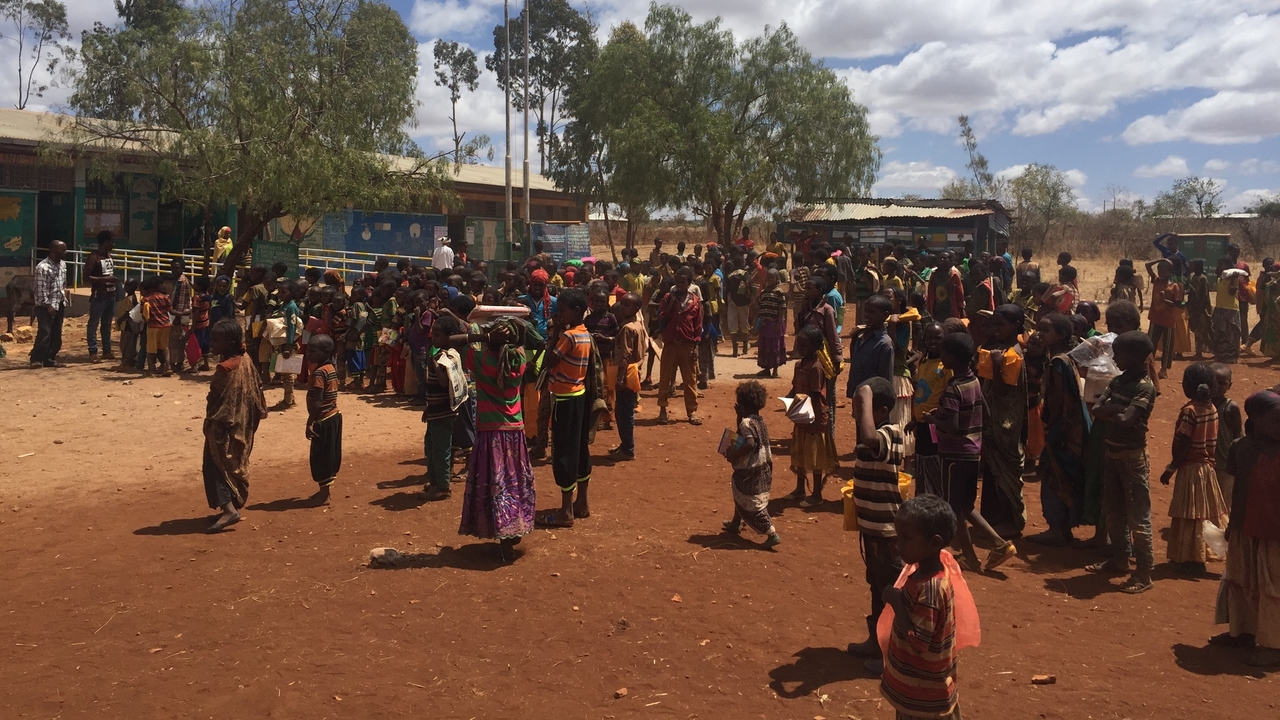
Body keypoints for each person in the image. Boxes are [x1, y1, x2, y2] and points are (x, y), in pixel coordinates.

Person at [443, 318, 536, 562]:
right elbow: (525, 340)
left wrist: (484, 338)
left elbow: (451, 341)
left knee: (495, 484)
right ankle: (514, 528)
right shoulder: (518, 359)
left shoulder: (482, 361)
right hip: (515, 433)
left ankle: (502, 536)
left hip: (490, 434)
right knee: (513, 482)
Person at [923, 332, 1017, 572]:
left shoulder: (954, 387)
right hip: (972, 452)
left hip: (954, 454)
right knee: (966, 506)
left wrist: (932, 419)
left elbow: (953, 426)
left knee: (956, 509)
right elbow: (982, 411)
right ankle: (999, 544)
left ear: (952, 357)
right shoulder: (973, 381)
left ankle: (971, 556)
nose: (941, 355)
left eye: (944, 352)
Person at [879, 494, 975, 720]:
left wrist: (895, 601)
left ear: (934, 543)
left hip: (923, 698)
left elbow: (919, 642)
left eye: (906, 538)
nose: (898, 544)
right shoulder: (928, 573)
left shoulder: (930, 589)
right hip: (921, 689)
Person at [1088, 330, 1158, 594]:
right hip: (1113, 452)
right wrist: (1116, 411)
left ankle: (1144, 572)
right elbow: (1098, 410)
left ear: (1136, 356)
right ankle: (1119, 559)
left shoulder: (1144, 386)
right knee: (1113, 511)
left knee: (1138, 516)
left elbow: (1126, 419)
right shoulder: (1119, 381)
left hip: (1132, 457)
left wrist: (1111, 410)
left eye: (1119, 352)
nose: (1115, 356)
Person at [1214, 390, 1280, 667]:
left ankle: (1273, 645)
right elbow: (1238, 488)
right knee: (1243, 581)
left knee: (1272, 588)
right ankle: (1244, 631)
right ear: (1255, 419)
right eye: (1276, 419)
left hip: (1274, 533)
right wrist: (1232, 526)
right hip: (1245, 527)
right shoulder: (1241, 448)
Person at [846, 377, 907, 673]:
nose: (856, 413)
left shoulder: (890, 433)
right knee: (876, 585)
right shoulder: (877, 435)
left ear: (880, 410)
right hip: (872, 528)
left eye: (862, 408)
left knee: (890, 588)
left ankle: (893, 653)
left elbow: (871, 439)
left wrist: (865, 394)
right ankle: (877, 640)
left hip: (887, 532)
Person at [1029, 313, 1091, 547]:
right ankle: (1063, 526)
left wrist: (1049, 424)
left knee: (1053, 474)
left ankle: (1057, 528)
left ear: (1062, 335)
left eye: (1045, 330)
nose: (1039, 334)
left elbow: (1056, 401)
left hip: (1061, 428)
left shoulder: (1057, 362)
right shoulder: (1070, 358)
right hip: (1074, 426)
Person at [1161, 363, 1228, 575]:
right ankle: (1198, 557)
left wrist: (1171, 468)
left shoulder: (1189, 411)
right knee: (1204, 513)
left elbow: (1182, 443)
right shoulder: (1213, 408)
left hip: (1190, 468)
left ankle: (1190, 558)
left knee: (1188, 512)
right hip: (1207, 468)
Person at [203, 319, 267, 533]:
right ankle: (232, 503)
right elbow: (258, 386)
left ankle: (229, 509)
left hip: (225, 427)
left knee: (217, 465)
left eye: (216, 339)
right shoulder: (246, 359)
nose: (211, 343)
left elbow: (223, 403)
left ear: (229, 342)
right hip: (244, 423)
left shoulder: (226, 368)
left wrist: (212, 423)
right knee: (233, 463)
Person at [541, 288, 594, 527]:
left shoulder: (568, 337)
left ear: (576, 311)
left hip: (564, 398)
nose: (558, 315)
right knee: (580, 447)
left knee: (563, 451)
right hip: (580, 395)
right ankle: (582, 502)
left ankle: (566, 510)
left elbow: (548, 362)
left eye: (561, 311)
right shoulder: (584, 334)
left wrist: (554, 336)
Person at [978, 305, 1028, 537]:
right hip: (993, 421)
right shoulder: (1000, 349)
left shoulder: (1012, 354)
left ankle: (1009, 521)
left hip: (1005, 424)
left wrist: (996, 365)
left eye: (1001, 325)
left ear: (1016, 326)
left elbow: (1000, 390)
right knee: (992, 471)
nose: (996, 329)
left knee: (1004, 472)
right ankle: (991, 518)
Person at [721, 380, 781, 548]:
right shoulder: (759, 421)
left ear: (743, 405)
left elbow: (749, 442)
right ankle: (735, 522)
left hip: (751, 470)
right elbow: (745, 434)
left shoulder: (747, 423)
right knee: (741, 494)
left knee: (753, 503)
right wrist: (739, 417)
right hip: (763, 468)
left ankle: (771, 533)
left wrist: (733, 455)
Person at [788, 326, 838, 506]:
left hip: (814, 416)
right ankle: (800, 489)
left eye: (805, 345)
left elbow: (816, 394)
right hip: (802, 414)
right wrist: (789, 400)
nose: (801, 348)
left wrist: (802, 408)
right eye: (799, 344)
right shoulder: (799, 365)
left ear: (816, 346)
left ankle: (817, 494)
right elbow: (795, 388)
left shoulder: (817, 368)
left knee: (815, 456)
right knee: (801, 450)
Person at [421, 314, 464, 501]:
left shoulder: (449, 357)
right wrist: (429, 407)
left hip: (444, 412)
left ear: (450, 336)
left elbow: (445, 381)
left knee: (441, 449)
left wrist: (436, 366)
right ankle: (435, 481)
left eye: (438, 335)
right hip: (435, 410)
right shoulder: (439, 355)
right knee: (430, 447)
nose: (434, 338)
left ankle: (443, 487)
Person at [656, 268, 703, 426]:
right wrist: (671, 305)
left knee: (690, 380)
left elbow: (698, 325)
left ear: (689, 283)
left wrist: (696, 346)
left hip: (687, 345)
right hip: (670, 344)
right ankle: (663, 410)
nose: (679, 285)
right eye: (677, 282)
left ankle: (692, 411)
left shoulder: (695, 302)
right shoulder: (668, 298)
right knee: (665, 378)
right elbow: (661, 316)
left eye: (683, 282)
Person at [302, 334, 342, 503]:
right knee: (330, 453)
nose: (308, 354)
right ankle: (325, 491)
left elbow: (318, 401)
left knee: (320, 456)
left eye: (312, 351)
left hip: (323, 418)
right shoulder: (331, 368)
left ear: (325, 352)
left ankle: (324, 494)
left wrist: (309, 422)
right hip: (334, 416)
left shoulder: (319, 373)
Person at [912, 322, 950, 496]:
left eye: (938, 337)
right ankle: (923, 498)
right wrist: (914, 419)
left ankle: (936, 499)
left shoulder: (947, 366)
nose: (933, 341)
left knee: (935, 463)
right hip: (921, 423)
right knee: (921, 461)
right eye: (929, 337)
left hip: (935, 424)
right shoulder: (925, 362)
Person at [610, 293, 648, 461]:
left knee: (624, 412)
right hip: (635, 372)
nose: (621, 307)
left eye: (626, 305)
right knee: (625, 410)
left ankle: (627, 449)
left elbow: (625, 354)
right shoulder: (638, 325)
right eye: (622, 304)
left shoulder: (627, 328)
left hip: (626, 373)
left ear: (636, 309)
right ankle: (626, 445)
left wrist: (619, 378)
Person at [29, 240, 68, 368]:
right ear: (52, 250)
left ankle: (50, 358)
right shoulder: (42, 267)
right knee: (45, 332)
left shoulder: (62, 264)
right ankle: (36, 358)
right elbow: (40, 289)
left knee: (56, 332)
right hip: (46, 306)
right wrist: (48, 305)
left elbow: (62, 284)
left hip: (59, 302)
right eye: (62, 250)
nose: (65, 252)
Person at [1212, 363, 1244, 511]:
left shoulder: (1231, 408)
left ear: (1229, 385)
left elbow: (1238, 435)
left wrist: (1239, 460)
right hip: (1205, 462)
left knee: (1223, 502)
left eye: (1222, 383)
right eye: (1213, 382)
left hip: (1225, 464)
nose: (1217, 387)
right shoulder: (1201, 405)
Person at [1145, 258, 1181, 378]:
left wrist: (1165, 300)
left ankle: (1164, 369)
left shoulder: (1174, 286)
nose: (1161, 273)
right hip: (1155, 318)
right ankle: (1148, 367)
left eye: (1164, 271)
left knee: (1167, 346)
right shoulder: (1156, 281)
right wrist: (1161, 259)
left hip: (1169, 320)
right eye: (1160, 270)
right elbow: (1147, 265)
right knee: (1150, 344)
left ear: (1170, 272)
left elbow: (1177, 304)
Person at [85, 231, 118, 362]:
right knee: (93, 324)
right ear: (105, 242)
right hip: (100, 295)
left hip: (111, 294)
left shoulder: (109, 256)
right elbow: (86, 278)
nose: (113, 244)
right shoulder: (93, 258)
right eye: (111, 242)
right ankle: (93, 351)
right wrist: (104, 280)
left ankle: (107, 350)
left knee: (107, 324)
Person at [755, 269, 788, 377]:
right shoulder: (764, 292)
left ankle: (775, 370)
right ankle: (766, 369)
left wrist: (779, 322)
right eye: (768, 277)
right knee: (765, 347)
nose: (769, 280)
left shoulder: (779, 292)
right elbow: (760, 306)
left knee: (775, 346)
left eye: (771, 277)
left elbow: (782, 308)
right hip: (765, 324)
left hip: (775, 324)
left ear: (776, 278)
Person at [141, 275, 173, 376]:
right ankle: (168, 367)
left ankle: (151, 370)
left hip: (153, 326)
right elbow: (170, 310)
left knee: (151, 349)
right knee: (164, 347)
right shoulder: (165, 297)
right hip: (166, 325)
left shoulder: (145, 299)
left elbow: (144, 315)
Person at [1213, 265, 1245, 363]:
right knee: (1221, 333)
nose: (1216, 268)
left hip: (1231, 309)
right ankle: (1221, 355)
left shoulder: (1232, 280)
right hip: (1221, 308)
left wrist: (1233, 279)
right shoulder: (1220, 280)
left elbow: (1232, 292)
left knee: (1230, 334)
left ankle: (1230, 357)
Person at [168, 258, 194, 373]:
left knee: (177, 341)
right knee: (176, 340)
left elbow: (181, 301)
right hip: (177, 314)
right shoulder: (178, 280)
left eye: (177, 268)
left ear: (183, 269)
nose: (174, 270)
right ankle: (176, 362)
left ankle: (178, 363)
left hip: (179, 315)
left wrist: (177, 317)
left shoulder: (182, 282)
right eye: (172, 268)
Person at [725, 258, 754, 356]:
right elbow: (750, 286)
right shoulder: (745, 273)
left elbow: (726, 290)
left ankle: (734, 348)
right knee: (744, 323)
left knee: (733, 325)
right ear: (742, 263)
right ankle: (745, 346)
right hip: (743, 302)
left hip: (732, 301)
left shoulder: (730, 275)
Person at [191, 276, 212, 371]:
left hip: (199, 324)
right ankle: (206, 364)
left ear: (199, 286)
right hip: (206, 322)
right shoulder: (207, 295)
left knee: (196, 345)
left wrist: (192, 327)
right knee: (205, 343)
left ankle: (194, 365)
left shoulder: (197, 297)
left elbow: (196, 312)